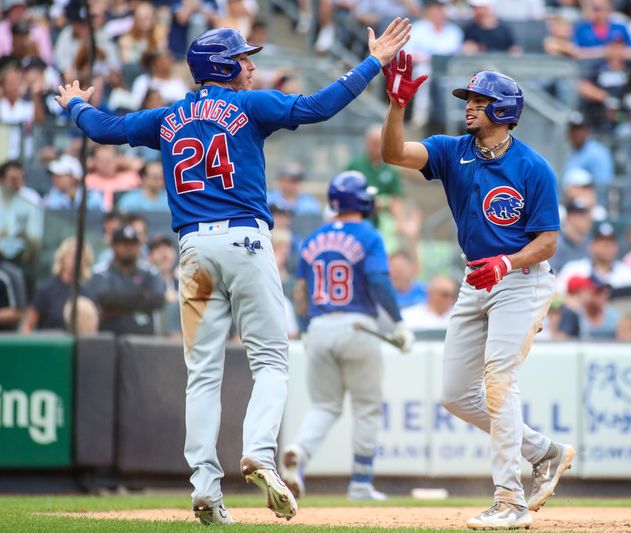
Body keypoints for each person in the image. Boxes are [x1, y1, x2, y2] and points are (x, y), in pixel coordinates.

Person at [55, 22, 410, 525]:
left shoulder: (167, 116)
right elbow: (318, 107)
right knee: (270, 361)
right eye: (243, 59)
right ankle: (260, 454)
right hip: (244, 239)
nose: (252, 65)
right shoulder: (247, 105)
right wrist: (372, 62)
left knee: (202, 374)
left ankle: (204, 486)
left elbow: (103, 129)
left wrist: (74, 104)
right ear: (223, 66)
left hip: (194, 250)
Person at [380, 60, 574, 529]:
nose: (470, 107)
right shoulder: (452, 151)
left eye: (480, 101)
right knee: (453, 395)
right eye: (469, 99)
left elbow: (548, 240)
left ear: (504, 110)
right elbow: (392, 154)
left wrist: (507, 262)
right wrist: (397, 104)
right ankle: (544, 452)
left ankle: (510, 501)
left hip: (521, 280)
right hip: (476, 279)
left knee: (498, 380)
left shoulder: (532, 166)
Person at [280, 171, 413, 502]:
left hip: (320, 326)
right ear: (362, 201)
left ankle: (299, 451)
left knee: (324, 405)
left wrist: (306, 326)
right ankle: (361, 483)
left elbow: (300, 290)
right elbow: (379, 281)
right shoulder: (368, 235)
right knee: (367, 408)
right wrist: (398, 322)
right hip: (357, 325)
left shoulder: (312, 238)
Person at [86, 225, 166, 335]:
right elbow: (104, 298)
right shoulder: (100, 271)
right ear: (113, 246)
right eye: (124, 243)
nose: (129, 248)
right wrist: (142, 297)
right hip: (108, 337)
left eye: (133, 244)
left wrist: (116, 302)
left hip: (145, 340)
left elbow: (158, 299)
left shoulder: (150, 271)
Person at [20, 237, 94, 333]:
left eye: (82, 257)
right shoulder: (46, 290)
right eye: (73, 256)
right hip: (49, 345)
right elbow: (27, 327)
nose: (77, 260)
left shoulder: (88, 294)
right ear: (62, 258)